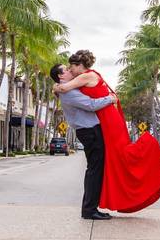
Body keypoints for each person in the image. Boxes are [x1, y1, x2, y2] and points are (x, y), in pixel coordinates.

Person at [54, 50, 160, 214]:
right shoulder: (84, 77)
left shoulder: (86, 76)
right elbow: (70, 91)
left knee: (118, 156)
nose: (70, 70)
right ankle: (96, 205)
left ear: (79, 65)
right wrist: (56, 85)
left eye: (71, 67)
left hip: (108, 120)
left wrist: (56, 86)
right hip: (104, 119)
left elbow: (64, 88)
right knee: (112, 160)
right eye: (66, 69)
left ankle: (146, 161)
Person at [50, 63, 117, 221]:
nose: (69, 70)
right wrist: (110, 98)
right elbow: (91, 105)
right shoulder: (69, 92)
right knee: (95, 169)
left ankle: (91, 207)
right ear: (61, 76)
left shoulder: (66, 88)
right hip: (89, 131)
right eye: (66, 70)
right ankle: (89, 210)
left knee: (95, 169)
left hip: (88, 130)